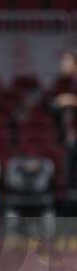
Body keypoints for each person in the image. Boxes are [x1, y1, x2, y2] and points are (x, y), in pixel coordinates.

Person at [52, 49, 77, 189]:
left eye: (66, 61)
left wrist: (69, 100)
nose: (62, 64)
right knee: (70, 176)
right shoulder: (72, 81)